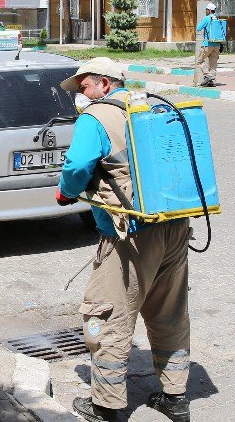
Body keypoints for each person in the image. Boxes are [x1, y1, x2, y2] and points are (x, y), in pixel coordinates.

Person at [57, 57, 192, 422]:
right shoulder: (156, 105)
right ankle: (176, 398)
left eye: (83, 87)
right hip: (175, 223)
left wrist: (65, 191)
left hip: (130, 234)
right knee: (169, 311)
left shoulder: (96, 118)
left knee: (107, 314)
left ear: (104, 83)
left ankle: (107, 405)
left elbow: (75, 168)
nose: (80, 96)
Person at [194, 2, 224, 87]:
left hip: (208, 44)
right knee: (213, 64)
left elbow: (198, 28)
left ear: (209, 10)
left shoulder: (207, 18)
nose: (206, 11)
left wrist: (202, 21)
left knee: (199, 61)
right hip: (217, 45)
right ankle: (211, 81)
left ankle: (208, 76)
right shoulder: (217, 19)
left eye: (206, 10)